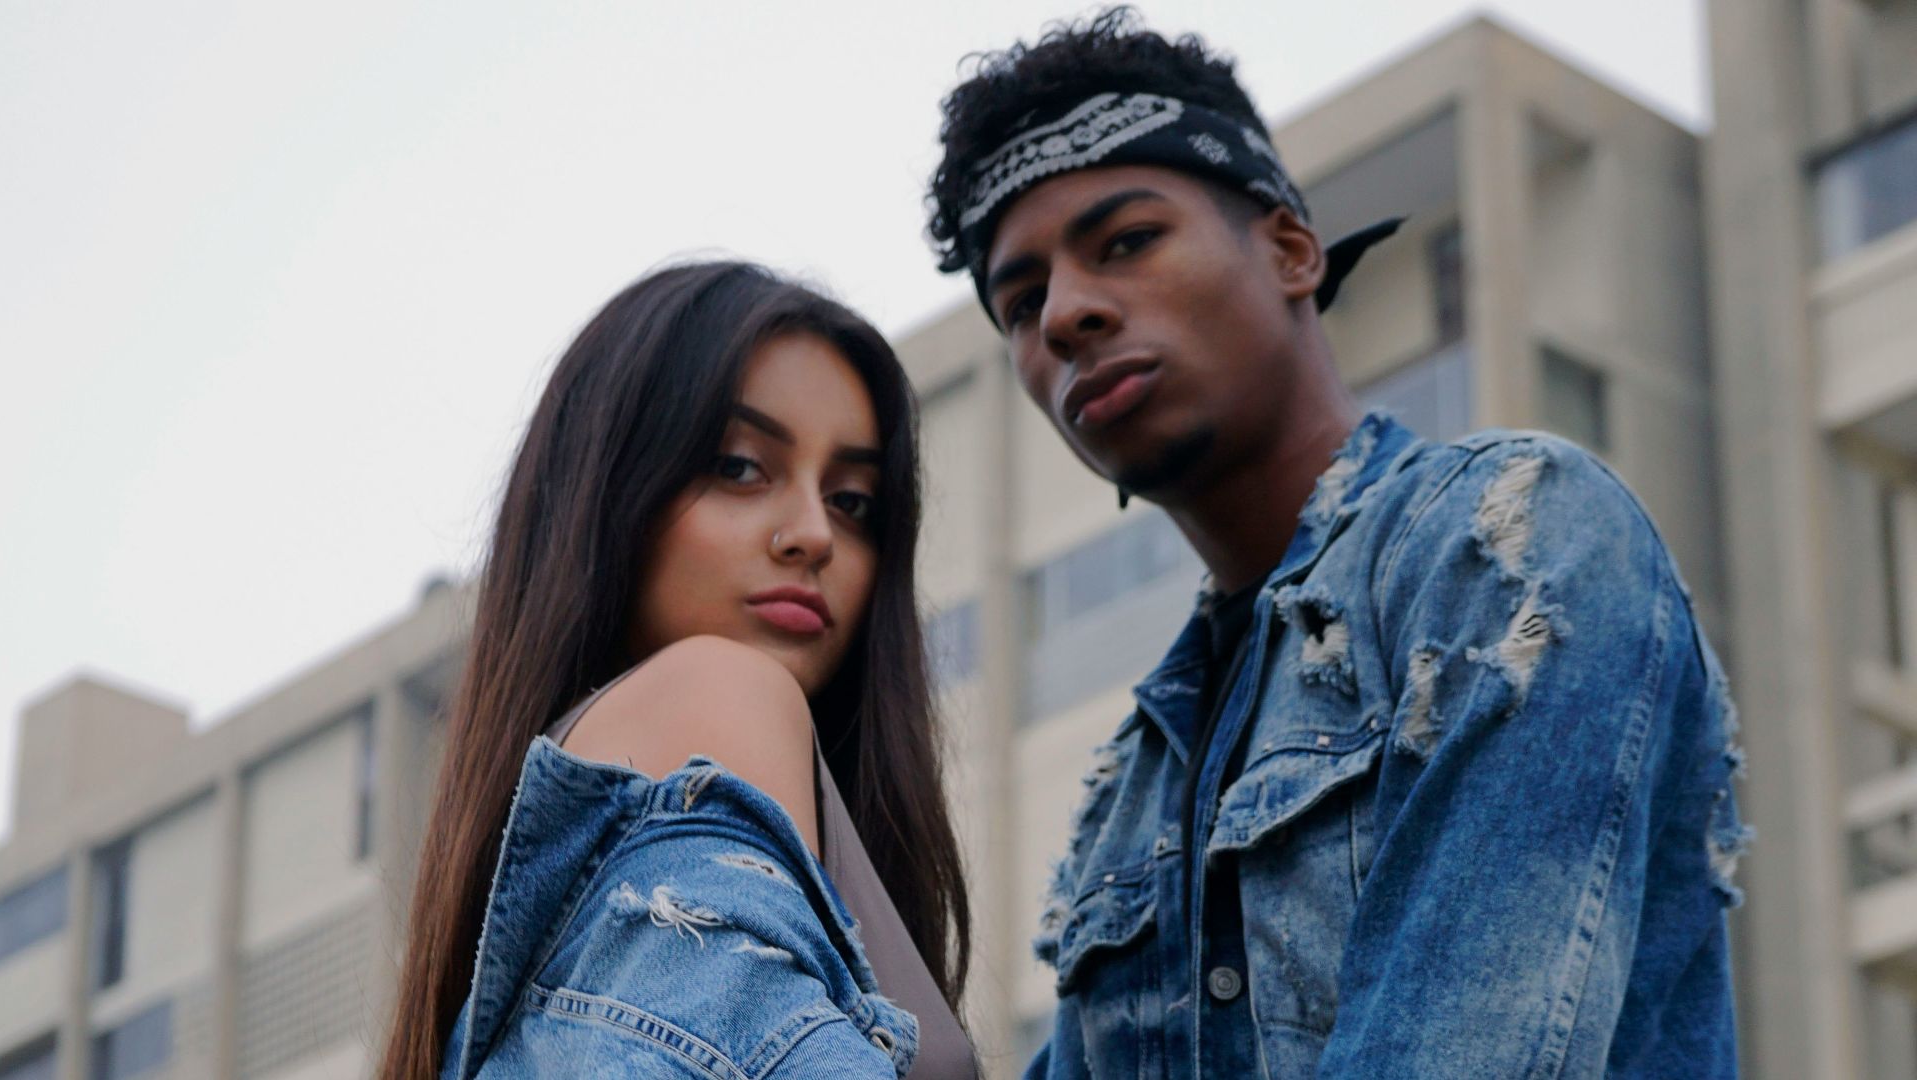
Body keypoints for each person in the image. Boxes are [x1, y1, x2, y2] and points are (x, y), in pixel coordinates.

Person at [925, 9, 1748, 1077]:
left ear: (1291, 249)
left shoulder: (1512, 543)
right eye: (1021, 301)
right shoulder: (1134, 785)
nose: (1068, 316)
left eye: (1126, 242)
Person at [379, 261, 977, 1078]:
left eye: (852, 500)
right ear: (611, 491)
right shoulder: (721, 688)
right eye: (740, 467)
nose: (813, 534)